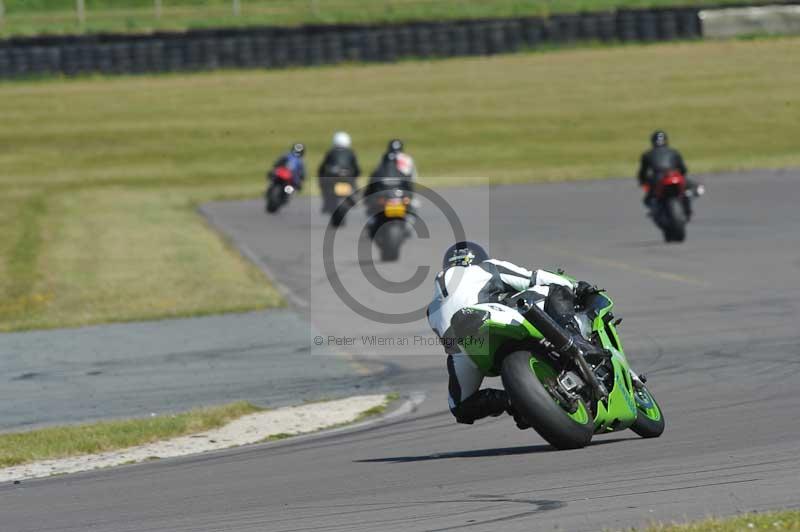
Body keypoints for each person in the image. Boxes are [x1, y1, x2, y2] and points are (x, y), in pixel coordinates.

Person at [426, 241, 619, 428]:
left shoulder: (432, 307)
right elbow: (532, 278)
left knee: (460, 406)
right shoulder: (485, 268)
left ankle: (512, 402)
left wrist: (519, 398)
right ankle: (576, 340)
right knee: (553, 289)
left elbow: (447, 342)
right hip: (490, 318)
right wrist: (578, 288)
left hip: (464, 347)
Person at [637, 130, 689, 210]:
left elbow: (643, 172)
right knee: (688, 191)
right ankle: (687, 208)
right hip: (674, 175)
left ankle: (656, 210)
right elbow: (683, 169)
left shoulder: (647, 154)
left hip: (659, 177)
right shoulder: (674, 152)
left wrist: (642, 181)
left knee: (648, 199)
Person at [318, 132, 361, 214]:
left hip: (334, 178)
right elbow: (356, 168)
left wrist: (321, 176)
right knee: (354, 185)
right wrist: (355, 175)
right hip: (346, 178)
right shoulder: (351, 152)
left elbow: (323, 167)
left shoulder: (330, 152)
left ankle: (327, 203)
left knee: (325, 186)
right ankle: (353, 196)